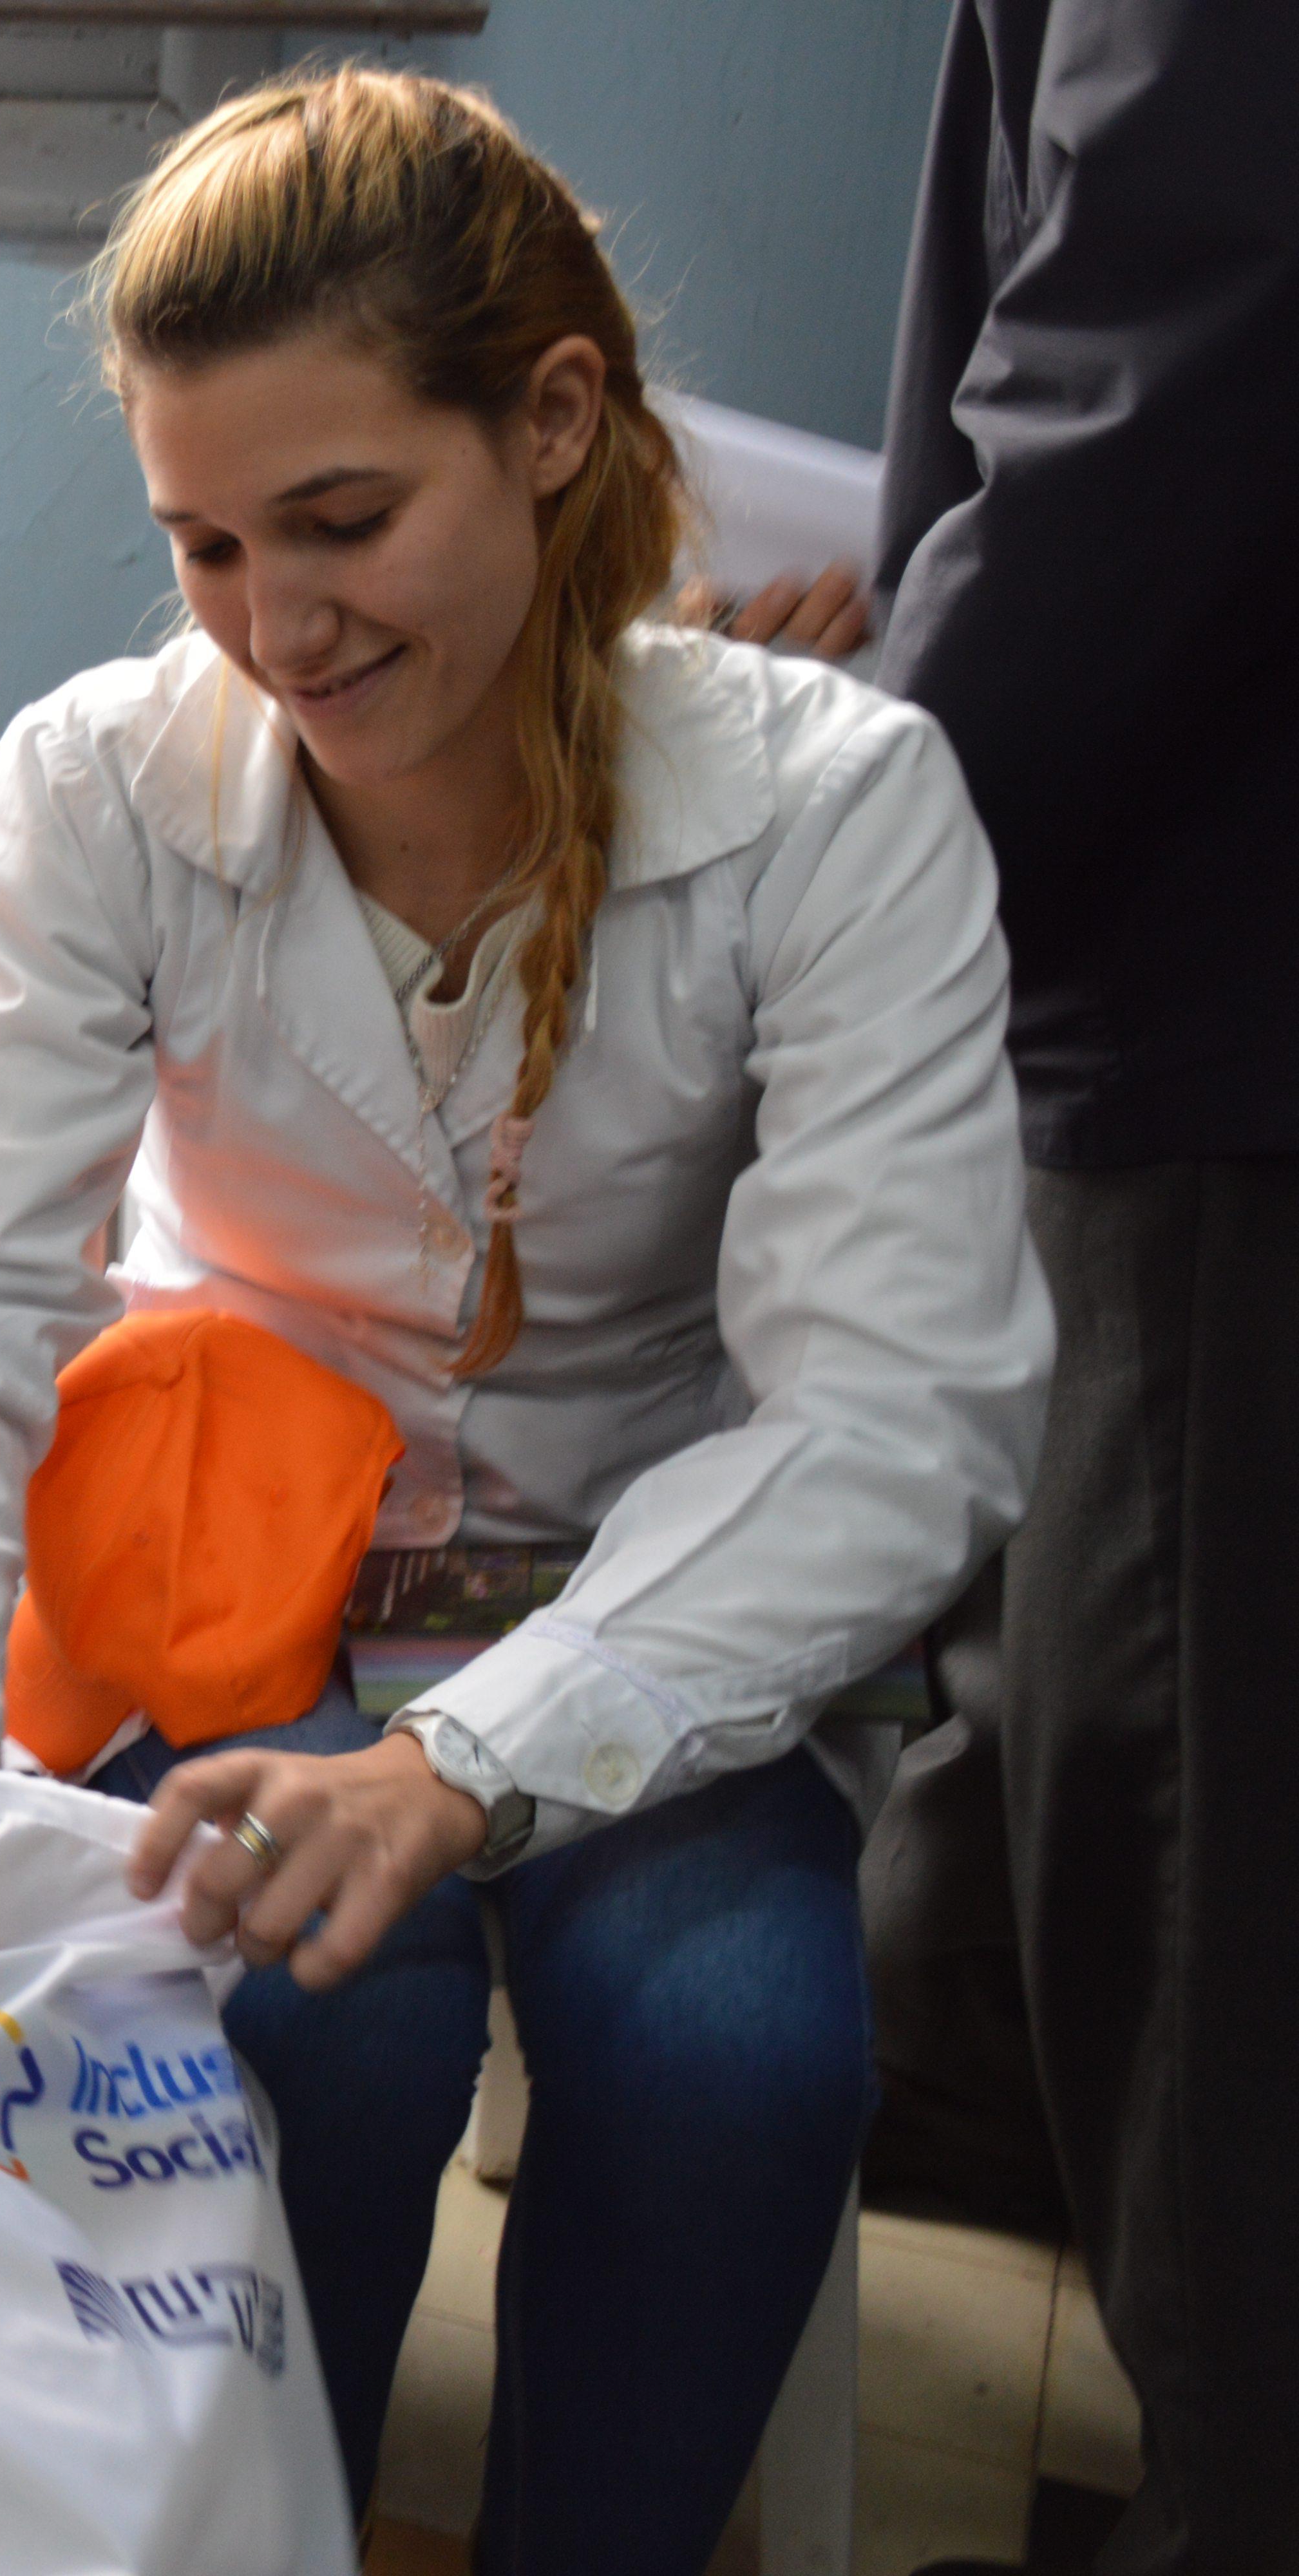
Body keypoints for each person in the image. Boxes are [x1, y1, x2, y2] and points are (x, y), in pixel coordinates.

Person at [0, 71, 1050, 2575]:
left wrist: (465, 1765)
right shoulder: (105, 789)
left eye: (343, 521)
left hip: (655, 1614)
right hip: (238, 1596)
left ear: (553, 420)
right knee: (283, 2032)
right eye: (206, 542)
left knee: (737, 2056)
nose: (273, 623)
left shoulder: (837, 807)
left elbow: (893, 1417)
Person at [873, 6, 1299, 2567]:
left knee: (1205, 1858)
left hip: (1221, 970)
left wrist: (863, 842)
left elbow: (1159, 333)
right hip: (1174, 949)